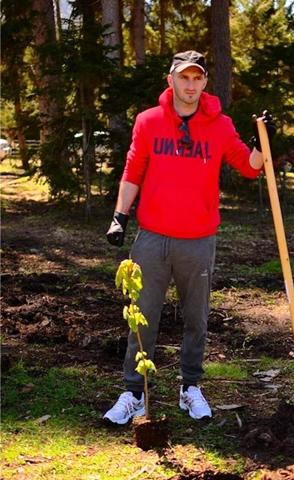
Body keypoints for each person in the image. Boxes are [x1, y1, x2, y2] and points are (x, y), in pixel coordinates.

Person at [103, 50, 274, 424]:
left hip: (198, 240)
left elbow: (248, 168)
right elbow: (132, 171)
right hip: (151, 238)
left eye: (197, 78)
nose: (191, 85)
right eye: (184, 77)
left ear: (204, 83)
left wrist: (262, 143)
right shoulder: (148, 122)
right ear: (172, 80)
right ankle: (134, 393)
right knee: (142, 316)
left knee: (196, 318)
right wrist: (120, 216)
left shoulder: (220, 125)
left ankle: (190, 387)